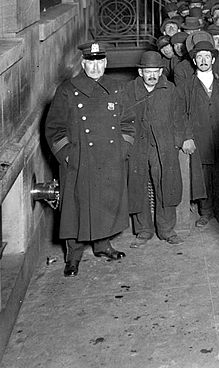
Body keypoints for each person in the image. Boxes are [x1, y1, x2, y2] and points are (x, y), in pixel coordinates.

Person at [44, 42, 135, 276]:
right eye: (90, 62)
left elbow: (129, 123)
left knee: (105, 204)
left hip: (110, 159)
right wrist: (68, 156)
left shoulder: (116, 88)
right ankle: (73, 257)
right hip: (79, 162)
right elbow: (54, 128)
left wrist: (123, 149)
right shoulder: (68, 89)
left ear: (105, 63)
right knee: (75, 210)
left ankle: (103, 246)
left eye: (99, 62)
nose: (95, 67)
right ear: (83, 64)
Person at [121, 51, 192, 247]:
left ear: (161, 71)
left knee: (166, 185)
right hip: (137, 146)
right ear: (140, 72)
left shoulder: (170, 89)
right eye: (148, 72)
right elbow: (121, 120)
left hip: (164, 145)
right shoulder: (128, 91)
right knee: (138, 184)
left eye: (156, 71)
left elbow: (179, 118)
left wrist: (180, 141)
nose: (152, 76)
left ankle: (167, 230)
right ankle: (143, 230)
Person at [180, 41, 219, 228]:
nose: (203, 60)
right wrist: (187, 137)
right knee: (203, 175)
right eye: (199, 57)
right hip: (199, 137)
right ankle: (205, 211)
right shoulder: (186, 86)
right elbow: (180, 113)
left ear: (213, 59)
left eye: (207, 56)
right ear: (194, 60)